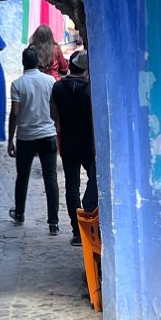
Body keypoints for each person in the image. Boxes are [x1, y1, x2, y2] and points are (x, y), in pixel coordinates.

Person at [8, 47, 60, 234]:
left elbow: (15, 113)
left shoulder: (17, 84)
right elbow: (55, 107)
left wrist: (10, 139)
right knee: (51, 178)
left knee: (22, 177)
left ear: (23, 62)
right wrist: (56, 127)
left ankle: (19, 213)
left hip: (26, 137)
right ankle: (53, 222)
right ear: (37, 61)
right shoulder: (50, 81)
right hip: (47, 134)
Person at [50, 50, 98, 246]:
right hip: (89, 143)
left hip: (68, 142)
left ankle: (77, 231)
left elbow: (54, 116)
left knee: (72, 186)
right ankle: (91, 219)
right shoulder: (90, 89)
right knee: (95, 179)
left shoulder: (58, 88)